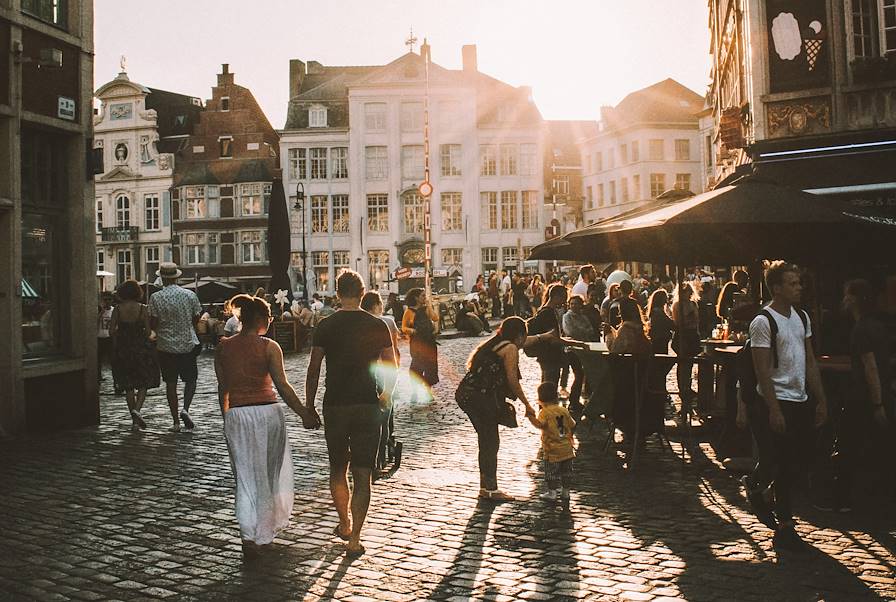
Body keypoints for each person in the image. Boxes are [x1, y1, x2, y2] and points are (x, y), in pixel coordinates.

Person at [214, 294, 320, 558]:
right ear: (261, 320)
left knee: (245, 476)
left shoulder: (223, 347)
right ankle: (264, 532)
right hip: (266, 412)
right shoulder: (270, 346)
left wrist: (226, 418)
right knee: (268, 474)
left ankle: (248, 533)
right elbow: (282, 385)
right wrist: (304, 413)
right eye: (270, 317)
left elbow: (223, 389)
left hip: (238, 414)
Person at [305, 270, 397, 556]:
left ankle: (343, 522)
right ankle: (355, 538)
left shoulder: (326, 325)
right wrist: (386, 396)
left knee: (337, 468)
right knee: (362, 473)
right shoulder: (377, 324)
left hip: (336, 404)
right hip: (368, 403)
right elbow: (391, 366)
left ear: (337, 293)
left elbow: (314, 368)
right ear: (362, 292)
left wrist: (309, 406)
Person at [744, 261, 828, 550]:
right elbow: (762, 370)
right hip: (775, 399)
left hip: (800, 398)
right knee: (780, 460)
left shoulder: (801, 317)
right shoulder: (763, 321)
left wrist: (820, 399)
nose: (799, 287)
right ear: (777, 288)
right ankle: (785, 521)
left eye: (799, 283)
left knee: (797, 459)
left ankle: (758, 488)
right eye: (792, 283)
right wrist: (774, 409)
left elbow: (810, 361)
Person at [820, 279, 892, 511]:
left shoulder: (861, 330)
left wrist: (877, 402)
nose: (844, 299)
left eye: (847, 295)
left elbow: (870, 367)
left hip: (862, 397)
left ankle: (842, 500)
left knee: (848, 447)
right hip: (877, 395)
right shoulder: (879, 326)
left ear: (853, 299)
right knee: (880, 447)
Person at [462, 317, 548, 500]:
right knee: (490, 442)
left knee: (486, 440)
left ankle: (485, 488)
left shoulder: (496, 342)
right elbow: (512, 380)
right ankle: (490, 490)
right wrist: (527, 404)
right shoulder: (509, 349)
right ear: (518, 336)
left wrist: (544, 337)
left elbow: (528, 340)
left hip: (467, 394)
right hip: (481, 397)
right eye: (524, 336)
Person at [148, 262, 202, 431]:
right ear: (177, 277)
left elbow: (153, 323)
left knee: (171, 383)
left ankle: (175, 422)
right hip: (187, 343)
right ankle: (186, 408)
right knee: (191, 379)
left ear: (162, 278)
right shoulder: (189, 295)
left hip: (165, 346)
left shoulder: (155, 297)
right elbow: (196, 318)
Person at [360, 291, 403, 474]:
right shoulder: (388, 322)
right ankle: (379, 460)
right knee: (384, 420)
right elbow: (394, 351)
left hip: (365, 374)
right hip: (384, 372)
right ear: (378, 305)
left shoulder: (359, 323)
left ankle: (365, 460)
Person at [109, 280, 160, 430]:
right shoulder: (143, 309)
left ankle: (134, 420)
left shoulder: (117, 310)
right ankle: (137, 411)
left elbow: (111, 331)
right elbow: (147, 331)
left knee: (128, 385)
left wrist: (121, 334)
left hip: (123, 349)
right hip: (141, 349)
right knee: (143, 383)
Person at [526, 382, 576, 502]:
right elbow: (572, 424)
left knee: (551, 472)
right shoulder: (564, 410)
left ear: (541, 400)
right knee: (567, 472)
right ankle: (566, 492)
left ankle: (552, 493)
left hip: (552, 449)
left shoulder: (545, 412)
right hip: (567, 448)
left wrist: (530, 417)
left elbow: (540, 425)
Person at [402, 288, 439, 402]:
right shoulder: (409, 312)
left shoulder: (426, 309)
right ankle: (415, 392)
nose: (424, 298)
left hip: (429, 342)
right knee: (416, 367)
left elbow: (435, 318)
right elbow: (403, 327)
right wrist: (412, 331)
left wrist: (429, 306)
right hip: (417, 343)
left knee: (430, 367)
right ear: (416, 298)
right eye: (423, 296)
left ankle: (428, 392)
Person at [672, 281, 700, 401]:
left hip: (692, 334)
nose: (688, 293)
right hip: (683, 335)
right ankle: (682, 387)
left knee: (690, 362)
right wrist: (688, 319)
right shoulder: (677, 305)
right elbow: (678, 322)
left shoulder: (693, 304)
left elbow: (697, 320)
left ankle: (687, 385)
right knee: (682, 362)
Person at [97, 297, 114, 382]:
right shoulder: (99, 310)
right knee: (98, 359)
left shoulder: (114, 310)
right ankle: (98, 377)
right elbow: (94, 322)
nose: (107, 302)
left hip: (110, 337)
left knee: (112, 359)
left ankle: (116, 380)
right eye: (105, 300)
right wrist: (101, 312)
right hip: (100, 337)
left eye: (109, 299)